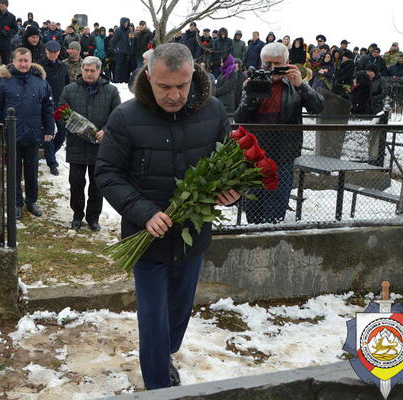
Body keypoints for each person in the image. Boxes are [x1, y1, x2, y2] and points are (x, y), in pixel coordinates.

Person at [95, 42, 238, 390]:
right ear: (149, 77)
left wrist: (232, 191)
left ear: (193, 76)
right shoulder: (126, 118)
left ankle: (166, 354)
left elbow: (229, 161)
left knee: (177, 314)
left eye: (181, 86)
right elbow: (108, 173)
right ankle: (159, 385)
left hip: (193, 236)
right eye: (164, 87)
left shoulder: (214, 111)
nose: (174, 95)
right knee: (154, 320)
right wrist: (143, 212)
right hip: (148, 241)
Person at [235, 42, 324, 224]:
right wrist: (252, 92)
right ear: (261, 64)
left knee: (277, 203)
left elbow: (318, 107)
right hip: (256, 154)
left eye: (278, 63)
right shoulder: (252, 82)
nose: (273, 68)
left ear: (287, 62)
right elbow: (240, 118)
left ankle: (272, 235)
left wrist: (301, 85)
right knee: (253, 202)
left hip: (284, 153)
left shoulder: (295, 84)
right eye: (268, 64)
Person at [0, 47, 54, 219]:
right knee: (14, 171)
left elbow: (48, 108)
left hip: (33, 135)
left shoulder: (40, 81)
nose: (24, 64)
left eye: (27, 60)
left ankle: (31, 201)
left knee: (32, 171)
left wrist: (49, 128)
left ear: (31, 61)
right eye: (20, 60)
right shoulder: (3, 81)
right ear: (14, 61)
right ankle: (16, 203)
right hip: (12, 136)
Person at [59, 56, 120, 232]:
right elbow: (61, 113)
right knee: (76, 183)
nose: (89, 73)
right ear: (81, 70)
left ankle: (93, 217)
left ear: (99, 71)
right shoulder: (69, 90)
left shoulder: (111, 91)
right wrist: (73, 127)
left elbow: (118, 116)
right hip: (76, 145)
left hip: (100, 148)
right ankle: (77, 215)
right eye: (86, 70)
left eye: (92, 70)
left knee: (97, 185)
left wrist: (106, 130)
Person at [39, 40, 70, 175]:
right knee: (48, 133)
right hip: (45, 104)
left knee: (63, 131)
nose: (53, 55)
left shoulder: (63, 66)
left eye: (55, 53)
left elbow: (67, 84)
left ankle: (49, 152)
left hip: (60, 103)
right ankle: (52, 162)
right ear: (46, 52)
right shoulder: (39, 66)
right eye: (50, 52)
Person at [110, 17, 132, 83]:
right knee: (119, 67)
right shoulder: (118, 30)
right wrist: (115, 49)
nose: (126, 24)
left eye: (127, 23)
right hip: (120, 52)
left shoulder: (128, 31)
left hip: (127, 52)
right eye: (125, 22)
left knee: (126, 67)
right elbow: (113, 41)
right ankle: (117, 80)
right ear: (122, 23)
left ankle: (124, 80)